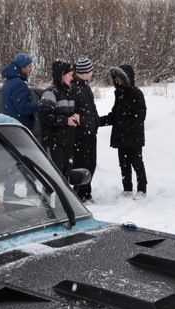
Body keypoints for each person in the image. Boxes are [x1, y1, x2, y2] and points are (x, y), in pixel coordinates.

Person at [99, 64, 147, 199]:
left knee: (137, 163)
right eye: (116, 78)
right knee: (123, 164)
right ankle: (127, 188)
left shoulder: (136, 93)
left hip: (133, 137)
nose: (117, 80)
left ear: (127, 78)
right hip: (121, 136)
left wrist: (125, 126)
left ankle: (142, 189)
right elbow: (114, 115)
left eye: (120, 77)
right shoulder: (119, 93)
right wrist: (98, 121)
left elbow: (140, 116)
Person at [38, 60, 80, 178]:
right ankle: (50, 196)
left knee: (65, 175)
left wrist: (76, 115)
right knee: (54, 176)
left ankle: (63, 196)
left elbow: (72, 112)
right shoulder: (50, 93)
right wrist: (66, 121)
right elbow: (45, 117)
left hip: (67, 141)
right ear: (61, 75)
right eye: (70, 74)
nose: (72, 78)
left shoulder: (69, 92)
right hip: (54, 142)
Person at [70, 57, 99, 203]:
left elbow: (91, 109)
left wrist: (96, 122)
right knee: (82, 164)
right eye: (91, 70)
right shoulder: (74, 88)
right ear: (85, 71)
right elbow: (73, 111)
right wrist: (82, 122)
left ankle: (87, 191)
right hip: (81, 134)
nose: (92, 72)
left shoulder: (86, 87)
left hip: (91, 132)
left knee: (91, 163)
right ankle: (80, 193)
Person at [1, 52, 39, 132]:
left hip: (12, 125)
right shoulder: (20, 84)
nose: (31, 69)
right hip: (21, 127)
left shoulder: (8, 82)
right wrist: (39, 105)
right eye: (29, 66)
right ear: (22, 68)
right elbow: (22, 107)